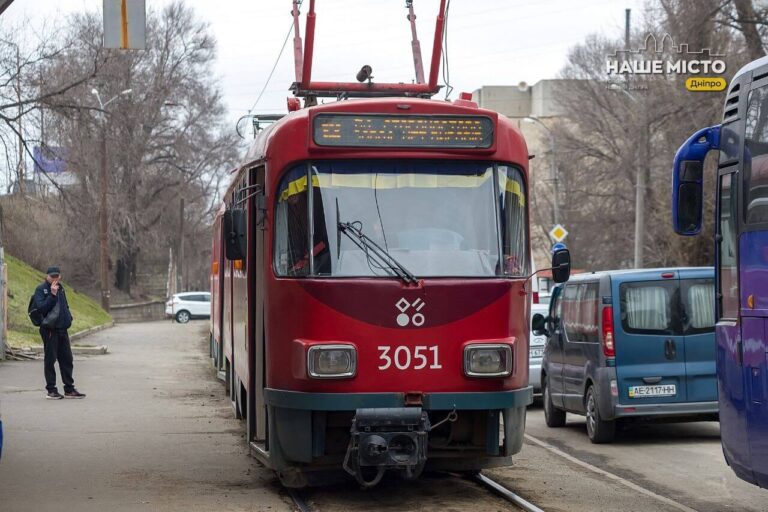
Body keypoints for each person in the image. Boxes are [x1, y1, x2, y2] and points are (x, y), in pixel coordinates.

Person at [33, 266, 86, 400]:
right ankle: (51, 390)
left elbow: (65, 305)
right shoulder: (41, 289)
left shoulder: (61, 288)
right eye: (52, 276)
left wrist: (68, 317)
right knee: (50, 360)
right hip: (50, 330)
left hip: (62, 329)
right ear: (47, 276)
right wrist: (52, 295)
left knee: (67, 359)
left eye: (57, 276)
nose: (54, 279)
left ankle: (69, 389)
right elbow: (41, 308)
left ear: (60, 276)